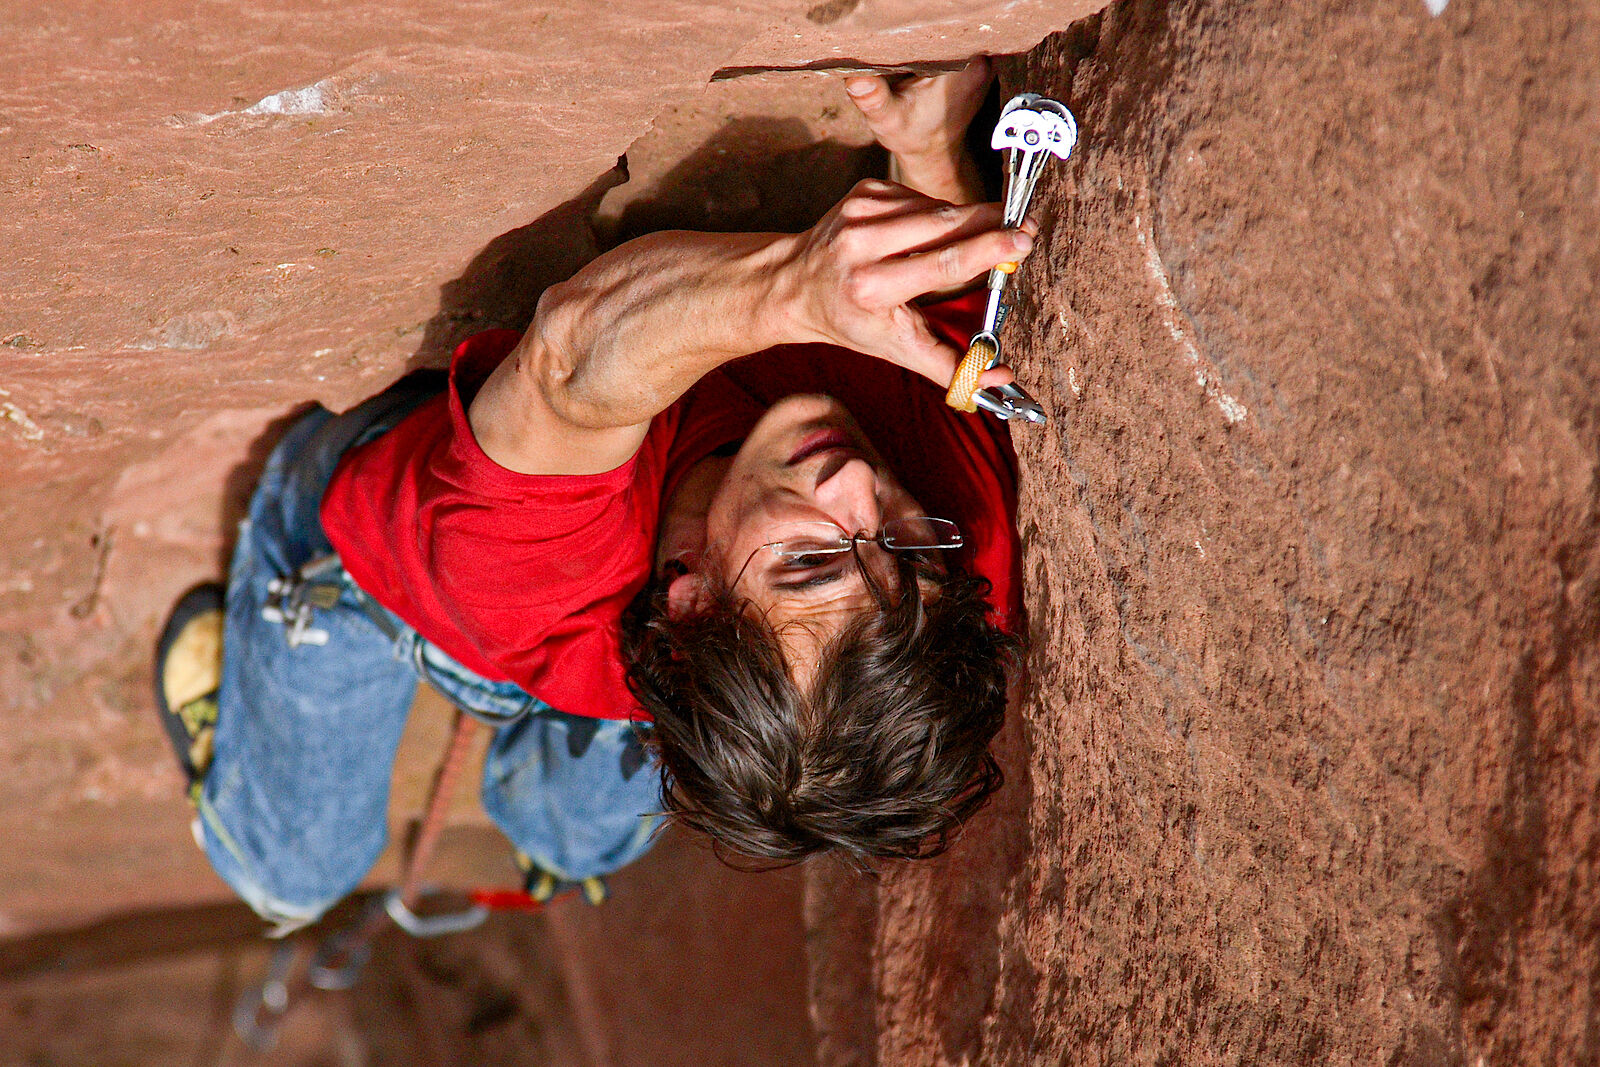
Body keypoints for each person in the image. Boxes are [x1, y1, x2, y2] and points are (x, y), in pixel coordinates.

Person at [155, 58, 1029, 930]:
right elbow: (945, 315)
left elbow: (572, 360)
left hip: (372, 574)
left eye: (810, 560)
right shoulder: (948, 555)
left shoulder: (522, 578)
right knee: (589, 831)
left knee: (300, 873)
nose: (861, 489)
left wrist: (788, 288)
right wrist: (932, 161)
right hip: (501, 562)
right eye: (903, 545)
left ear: (690, 599)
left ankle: (261, 825)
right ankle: (552, 834)